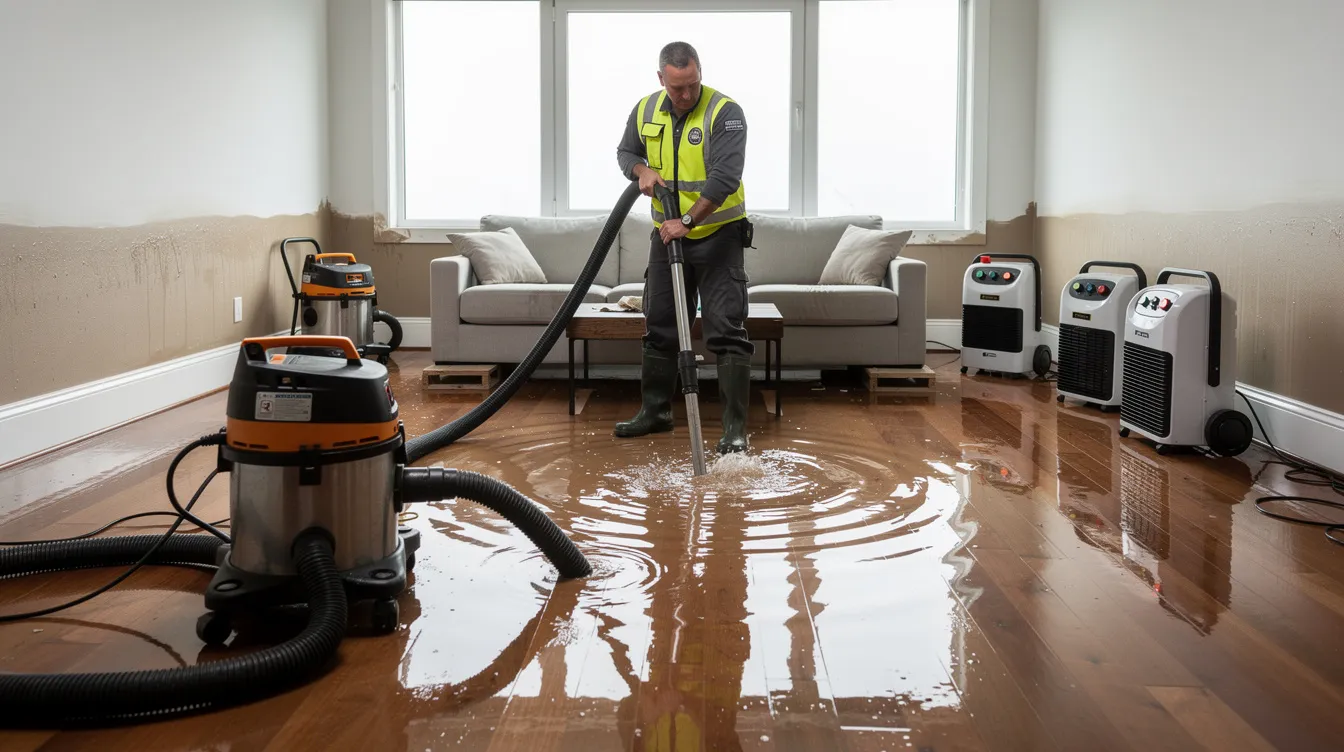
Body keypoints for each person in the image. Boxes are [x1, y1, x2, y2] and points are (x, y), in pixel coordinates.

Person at [614, 41, 754, 454]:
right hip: (666, 236)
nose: (686, 95)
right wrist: (641, 171)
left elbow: (725, 177)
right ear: (662, 79)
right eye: (677, 88)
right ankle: (655, 412)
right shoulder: (644, 110)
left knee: (726, 327)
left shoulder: (724, 113)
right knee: (659, 321)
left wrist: (688, 221)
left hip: (718, 236)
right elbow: (626, 152)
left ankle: (734, 431)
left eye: (692, 84)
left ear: (699, 74)